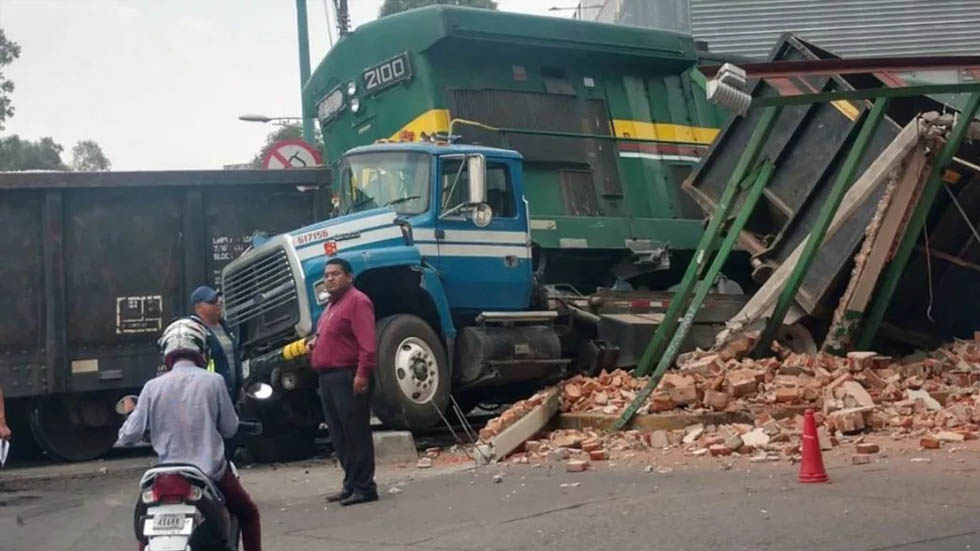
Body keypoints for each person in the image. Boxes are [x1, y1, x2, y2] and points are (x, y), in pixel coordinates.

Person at [117, 317, 262, 551]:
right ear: (201, 350)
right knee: (249, 514)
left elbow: (127, 436)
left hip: (166, 474)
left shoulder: (152, 387)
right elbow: (229, 428)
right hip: (210, 472)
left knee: (145, 534)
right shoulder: (214, 381)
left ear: (167, 352)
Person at [308, 258, 378, 506]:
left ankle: (365, 486)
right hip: (327, 378)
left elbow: (367, 344)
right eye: (326, 275)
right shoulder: (330, 307)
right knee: (338, 434)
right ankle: (350, 483)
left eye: (335, 274)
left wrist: (362, 374)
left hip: (347, 375)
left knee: (355, 432)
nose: (329, 279)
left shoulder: (357, 302)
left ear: (349, 277)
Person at [189, 285, 242, 403]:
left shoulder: (226, 327)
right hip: (211, 398)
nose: (218, 303)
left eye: (218, 299)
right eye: (212, 301)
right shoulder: (196, 332)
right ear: (199, 308)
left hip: (231, 397)